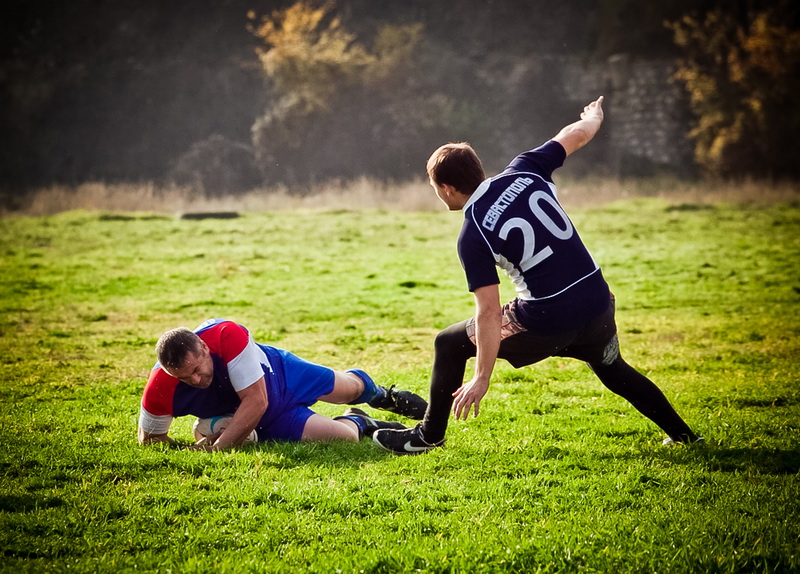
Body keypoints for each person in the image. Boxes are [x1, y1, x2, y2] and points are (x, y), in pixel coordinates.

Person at [373, 96, 701, 454]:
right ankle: (686, 437)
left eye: (436, 189)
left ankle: (427, 438)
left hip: (549, 320)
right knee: (614, 369)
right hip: (597, 302)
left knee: (448, 343)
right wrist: (594, 117)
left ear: (448, 188)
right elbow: (574, 135)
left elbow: (488, 311)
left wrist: (481, 378)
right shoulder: (525, 168)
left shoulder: (473, 232)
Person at [138, 318, 428, 450]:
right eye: (185, 378)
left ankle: (380, 395)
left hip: (280, 373)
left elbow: (256, 399)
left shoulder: (227, 335)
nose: (195, 381)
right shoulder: (161, 386)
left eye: (198, 370)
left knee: (350, 389)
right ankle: (360, 421)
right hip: (266, 417)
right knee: (345, 438)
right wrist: (188, 449)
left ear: (203, 346)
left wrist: (217, 449)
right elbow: (149, 440)